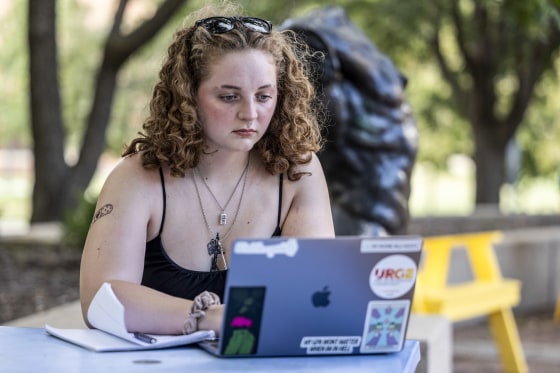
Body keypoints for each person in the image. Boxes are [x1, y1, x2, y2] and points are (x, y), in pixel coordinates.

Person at [79, 2, 335, 338]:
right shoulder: (137, 177)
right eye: (229, 97)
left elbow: (317, 292)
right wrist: (211, 318)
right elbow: (101, 300)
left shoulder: (298, 171)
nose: (250, 113)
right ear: (188, 96)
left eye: (263, 96)